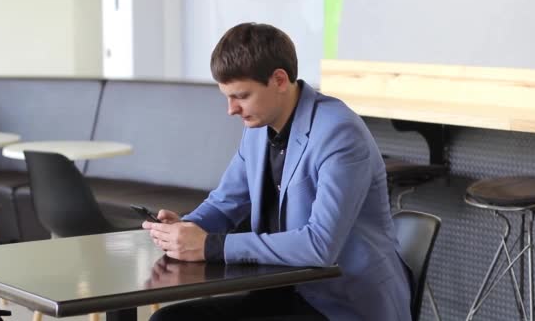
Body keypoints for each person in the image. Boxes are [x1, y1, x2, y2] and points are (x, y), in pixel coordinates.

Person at [143, 22, 412, 320]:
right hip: (279, 293)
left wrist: (211, 245)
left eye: (241, 96)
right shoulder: (259, 127)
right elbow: (225, 202)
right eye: (227, 96)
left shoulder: (339, 133)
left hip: (341, 304)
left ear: (280, 80)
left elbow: (319, 246)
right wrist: (183, 229)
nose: (231, 109)